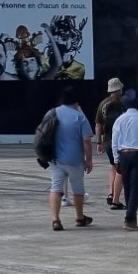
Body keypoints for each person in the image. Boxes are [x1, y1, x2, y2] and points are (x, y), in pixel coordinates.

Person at [45, 84, 96, 231]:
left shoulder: (52, 113)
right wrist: (89, 159)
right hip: (74, 160)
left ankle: (55, 220)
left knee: (56, 187)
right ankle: (80, 217)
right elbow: (86, 139)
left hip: (55, 158)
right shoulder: (79, 116)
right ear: (76, 101)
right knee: (78, 188)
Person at [108, 90, 138, 228]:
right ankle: (130, 218)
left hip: (123, 154)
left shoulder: (120, 119)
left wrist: (116, 158)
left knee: (128, 186)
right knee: (136, 186)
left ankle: (130, 216)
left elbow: (114, 141)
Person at [94, 76, 128, 209]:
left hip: (108, 140)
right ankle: (115, 197)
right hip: (123, 141)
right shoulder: (123, 104)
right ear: (119, 89)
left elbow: (98, 125)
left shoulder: (103, 104)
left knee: (114, 166)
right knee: (120, 169)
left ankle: (111, 192)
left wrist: (99, 142)